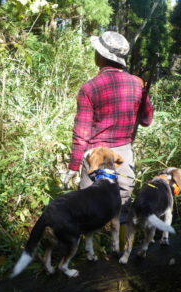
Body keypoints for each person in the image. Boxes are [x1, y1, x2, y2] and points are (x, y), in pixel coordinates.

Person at [63, 31, 153, 249]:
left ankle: (87, 253)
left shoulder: (89, 88)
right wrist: (142, 96)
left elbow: (82, 132)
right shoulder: (138, 85)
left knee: (86, 207)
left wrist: (74, 166)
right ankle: (122, 251)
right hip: (123, 154)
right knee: (122, 206)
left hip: (95, 156)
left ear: (101, 57)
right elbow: (147, 120)